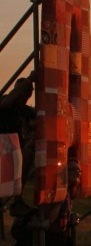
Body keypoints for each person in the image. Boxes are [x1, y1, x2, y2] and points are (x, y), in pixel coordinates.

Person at [0, 71, 36, 216]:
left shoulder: (26, 112)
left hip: (16, 153)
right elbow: (5, 104)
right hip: (4, 150)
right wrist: (29, 80)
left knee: (27, 154)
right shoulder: (6, 102)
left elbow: (38, 123)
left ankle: (17, 201)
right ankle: (16, 201)